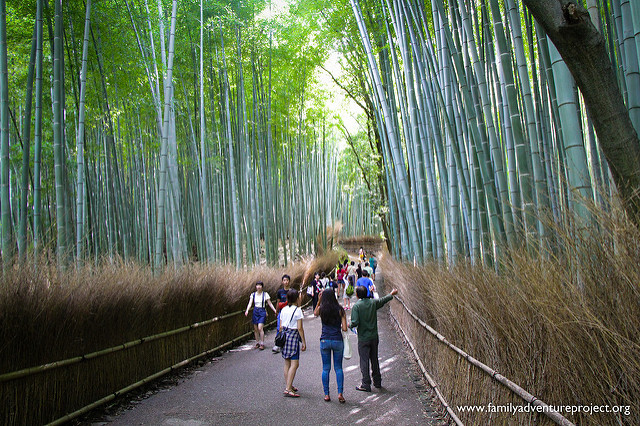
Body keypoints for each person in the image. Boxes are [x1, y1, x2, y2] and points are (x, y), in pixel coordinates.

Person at [349, 286, 398, 392]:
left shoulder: (357, 306)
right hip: (374, 336)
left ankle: (366, 383)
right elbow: (382, 300)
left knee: (364, 360)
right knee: (374, 359)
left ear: (357, 295)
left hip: (363, 338)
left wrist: (348, 325)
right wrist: (391, 294)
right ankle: (377, 381)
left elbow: (355, 322)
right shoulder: (372, 303)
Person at [314, 288, 347, 403]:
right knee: (338, 368)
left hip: (324, 340)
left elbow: (315, 314)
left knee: (325, 368)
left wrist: (318, 301)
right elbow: (344, 328)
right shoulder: (340, 310)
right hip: (337, 340)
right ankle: (340, 393)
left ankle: (326, 394)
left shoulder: (322, 309)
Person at [280, 289, 306, 397]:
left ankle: (289, 384)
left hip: (284, 336)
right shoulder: (298, 311)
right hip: (293, 336)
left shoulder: (284, 309)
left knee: (287, 362)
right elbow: (300, 328)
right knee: (295, 363)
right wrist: (304, 342)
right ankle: (288, 388)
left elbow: (281, 326)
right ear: (296, 298)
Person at [244, 281, 277, 350]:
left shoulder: (265, 294)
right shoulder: (253, 295)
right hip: (255, 311)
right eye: (257, 285)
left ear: (262, 286)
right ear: (255, 286)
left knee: (260, 328)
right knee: (255, 329)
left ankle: (262, 343)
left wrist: (275, 310)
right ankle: (257, 342)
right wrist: (247, 310)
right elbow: (250, 303)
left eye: (260, 285)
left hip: (262, 311)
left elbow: (270, 303)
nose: (258, 287)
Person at [273, 274, 292, 353]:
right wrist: (276, 311)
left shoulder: (292, 291)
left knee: (289, 327)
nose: (286, 282)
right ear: (282, 282)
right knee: (279, 327)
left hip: (290, 311)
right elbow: (278, 302)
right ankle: (278, 344)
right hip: (281, 311)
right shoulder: (280, 292)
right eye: (284, 280)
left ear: (289, 281)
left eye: (287, 280)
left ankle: (288, 343)